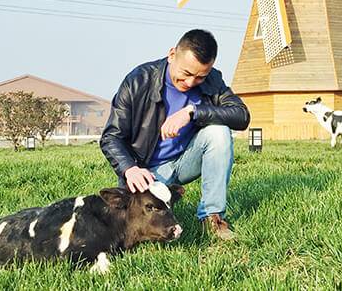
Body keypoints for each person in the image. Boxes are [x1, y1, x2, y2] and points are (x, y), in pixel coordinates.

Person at [100, 29, 250, 240]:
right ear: (172, 55)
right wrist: (130, 169)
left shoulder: (212, 80)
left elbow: (241, 115)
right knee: (131, 229)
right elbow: (111, 137)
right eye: (187, 73)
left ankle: (212, 218)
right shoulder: (138, 81)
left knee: (219, 132)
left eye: (200, 77)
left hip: (185, 161)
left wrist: (192, 112)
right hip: (147, 172)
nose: (190, 83)